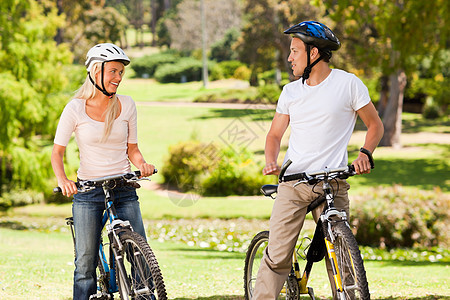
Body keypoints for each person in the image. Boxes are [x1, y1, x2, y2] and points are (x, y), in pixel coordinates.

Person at [253, 21, 384, 299]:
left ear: (314, 54)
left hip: (333, 182)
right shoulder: (291, 92)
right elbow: (274, 135)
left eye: (295, 51)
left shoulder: (348, 84)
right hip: (294, 183)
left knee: (343, 258)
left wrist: (365, 152)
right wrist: (270, 160)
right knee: (277, 257)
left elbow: (375, 125)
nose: (290, 58)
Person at [51, 43, 155, 299]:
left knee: (141, 255)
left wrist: (141, 164)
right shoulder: (75, 108)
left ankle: (147, 295)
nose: (119, 78)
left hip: (123, 187)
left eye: (121, 72)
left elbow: (133, 149)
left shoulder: (127, 105)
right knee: (85, 263)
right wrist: (63, 180)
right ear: (96, 72)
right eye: (113, 72)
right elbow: (57, 152)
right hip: (88, 192)